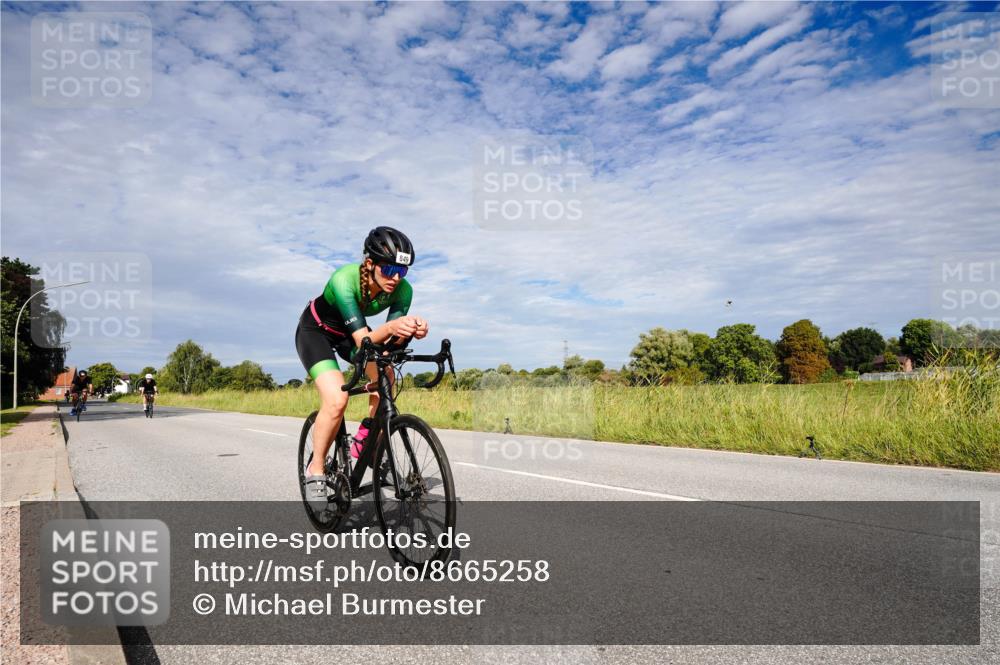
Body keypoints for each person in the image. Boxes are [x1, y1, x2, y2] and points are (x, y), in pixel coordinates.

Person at [295, 227, 428, 509]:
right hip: (316, 331)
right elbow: (363, 339)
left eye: (402, 271)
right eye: (389, 268)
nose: (395, 277)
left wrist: (409, 331)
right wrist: (391, 327)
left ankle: (371, 445)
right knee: (336, 398)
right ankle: (316, 469)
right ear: (370, 263)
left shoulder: (403, 291)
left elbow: (387, 343)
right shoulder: (344, 280)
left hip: (351, 334)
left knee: (386, 376)